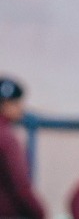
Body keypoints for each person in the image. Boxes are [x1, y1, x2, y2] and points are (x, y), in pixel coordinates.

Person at [0, 77, 46, 219]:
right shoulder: (7, 138)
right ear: (5, 105)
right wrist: (40, 213)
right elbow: (21, 187)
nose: (21, 108)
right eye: (17, 103)